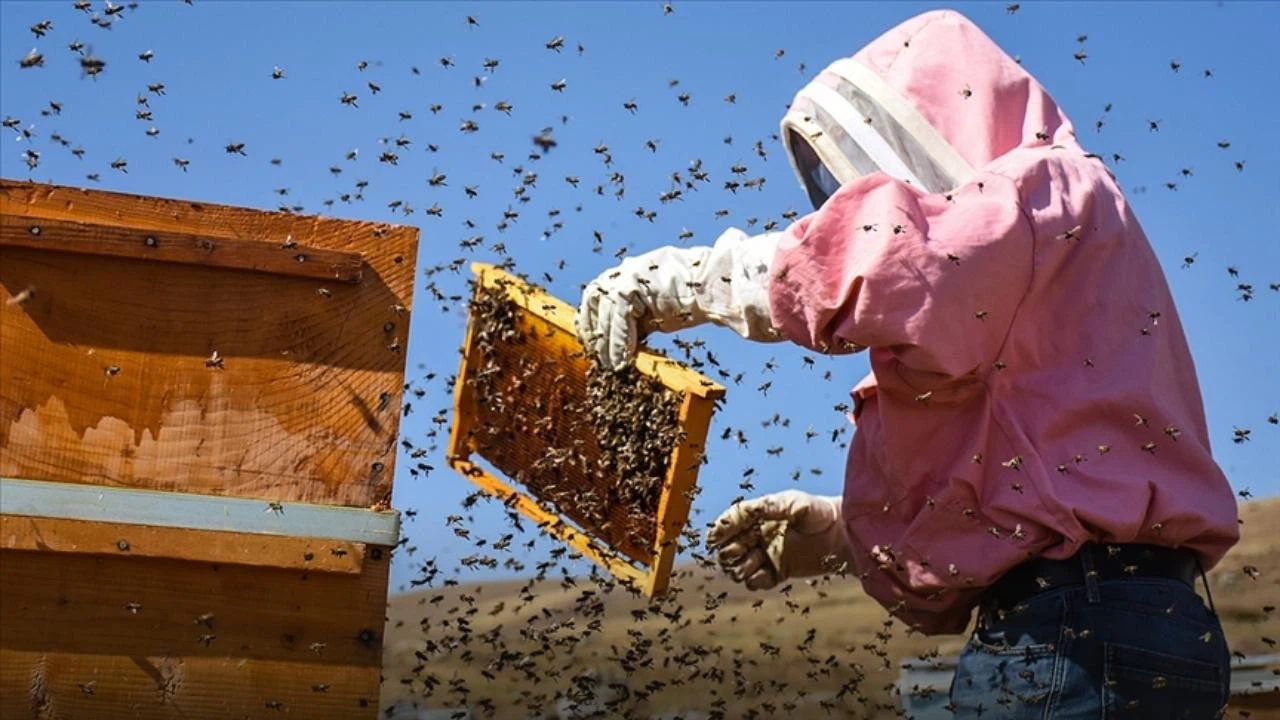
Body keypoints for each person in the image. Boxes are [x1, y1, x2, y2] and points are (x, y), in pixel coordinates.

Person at [574, 8, 1239, 719]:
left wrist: (686, 283)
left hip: (1073, 633)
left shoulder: (1046, 187)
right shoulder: (1039, 283)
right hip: (1139, 626)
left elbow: (891, 254)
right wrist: (839, 536)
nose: (846, 206)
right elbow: (1032, 467)